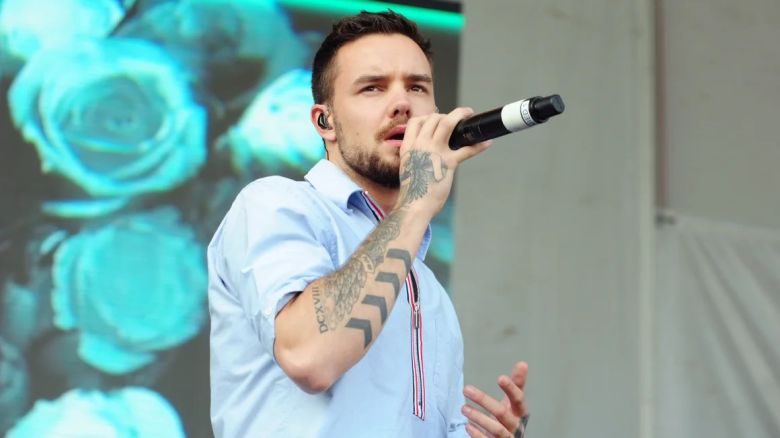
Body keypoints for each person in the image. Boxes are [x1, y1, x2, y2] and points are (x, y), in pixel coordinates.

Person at [207, 10, 530, 438]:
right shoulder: (274, 204)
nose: (402, 103)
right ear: (325, 122)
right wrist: (416, 203)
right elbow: (310, 357)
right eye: (372, 88)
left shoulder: (428, 291)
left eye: (417, 87)